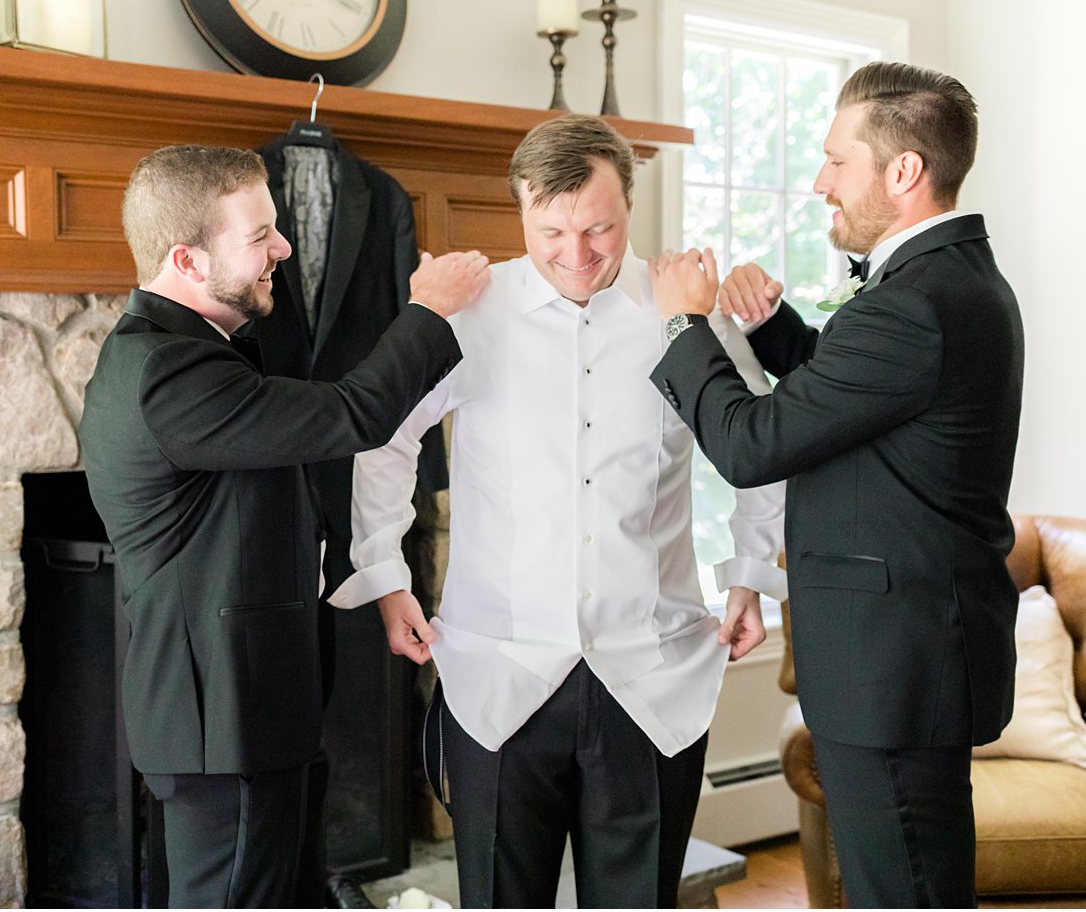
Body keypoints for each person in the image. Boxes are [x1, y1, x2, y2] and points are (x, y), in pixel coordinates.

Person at [328, 115, 788, 909]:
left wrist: (749, 573)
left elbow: (762, 442)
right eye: (552, 232)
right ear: (521, 214)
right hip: (498, 677)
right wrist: (385, 572)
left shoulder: (684, 308)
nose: (577, 254)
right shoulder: (471, 312)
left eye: (599, 229)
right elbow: (384, 437)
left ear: (630, 209)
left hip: (651, 677)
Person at [649, 62, 1023, 908]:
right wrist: (771, 329)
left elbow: (751, 445)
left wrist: (683, 322)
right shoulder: (950, 281)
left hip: (895, 669)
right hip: (911, 659)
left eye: (834, 161)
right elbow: (869, 402)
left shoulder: (913, 303)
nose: (820, 182)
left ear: (902, 171)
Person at [78, 144, 489, 908]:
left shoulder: (204, 353)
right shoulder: (167, 373)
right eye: (260, 235)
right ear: (187, 259)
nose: (284, 248)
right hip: (221, 726)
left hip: (255, 717)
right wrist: (428, 309)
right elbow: (351, 414)